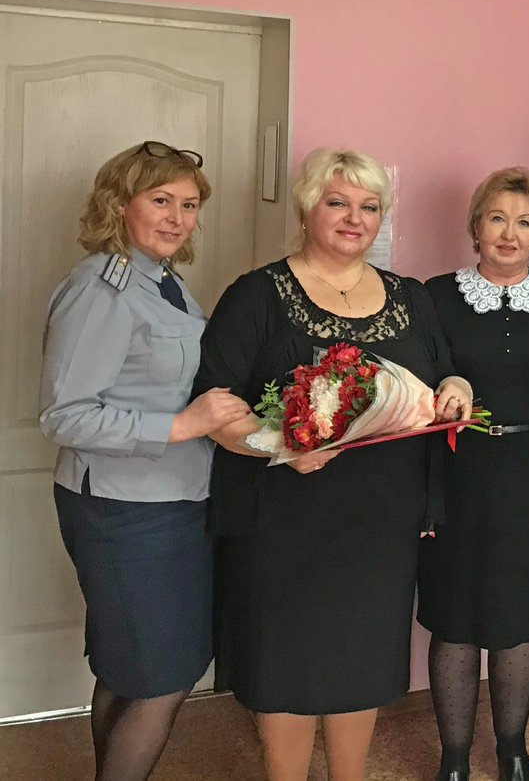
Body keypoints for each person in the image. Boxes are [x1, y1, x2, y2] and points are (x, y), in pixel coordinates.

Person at [194, 148, 472, 781]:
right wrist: (280, 446)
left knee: (359, 665)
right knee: (286, 668)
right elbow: (215, 407)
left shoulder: (409, 296)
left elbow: (446, 373)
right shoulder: (257, 295)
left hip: (380, 525)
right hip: (284, 523)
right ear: (305, 209)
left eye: (369, 207)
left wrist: (457, 391)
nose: (355, 218)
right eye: (338, 202)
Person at [39, 141, 251, 780]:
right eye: (161, 200)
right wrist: (184, 425)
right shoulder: (99, 288)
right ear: (119, 204)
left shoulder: (164, 282)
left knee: (131, 669)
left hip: (172, 500)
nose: (178, 218)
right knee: (160, 677)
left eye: (189, 205)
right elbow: (64, 416)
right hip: (124, 510)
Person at [418, 167, 529, 781]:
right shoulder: (436, 296)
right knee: (455, 619)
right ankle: (454, 760)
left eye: (524, 222)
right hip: (455, 476)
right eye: (497, 218)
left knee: (520, 617)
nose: (509, 233)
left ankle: (513, 752)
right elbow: (417, 386)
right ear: (476, 225)